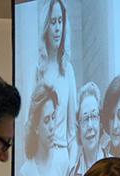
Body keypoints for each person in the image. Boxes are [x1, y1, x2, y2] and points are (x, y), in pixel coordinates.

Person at [35, 0, 77, 164]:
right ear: (46, 26)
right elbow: (32, 124)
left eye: (60, 21)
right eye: (53, 22)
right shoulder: (38, 70)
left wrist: (70, 166)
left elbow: (72, 133)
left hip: (63, 159)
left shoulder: (68, 71)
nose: (58, 28)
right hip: (42, 158)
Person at [18, 82, 69, 176]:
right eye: (46, 120)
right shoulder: (25, 173)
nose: (52, 126)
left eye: (53, 117)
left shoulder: (63, 163)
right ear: (36, 127)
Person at [63, 81, 107, 176]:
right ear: (78, 127)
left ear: (101, 122)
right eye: (85, 118)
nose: (90, 125)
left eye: (94, 116)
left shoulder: (115, 168)